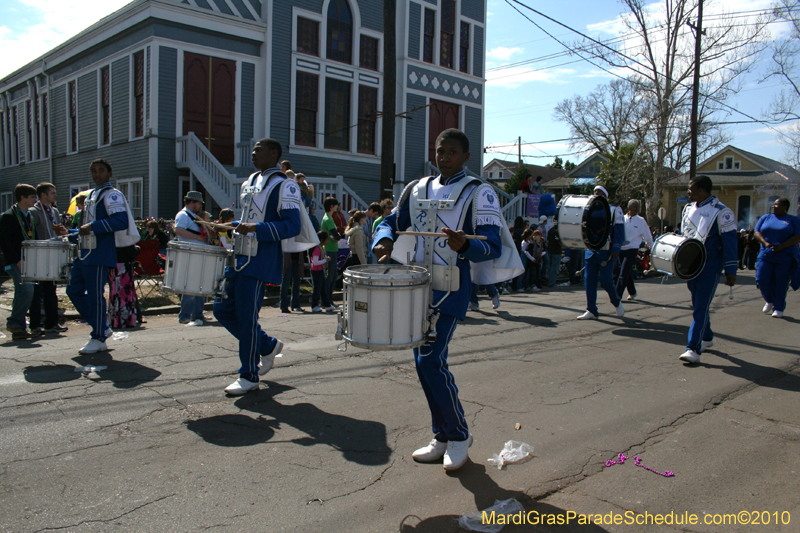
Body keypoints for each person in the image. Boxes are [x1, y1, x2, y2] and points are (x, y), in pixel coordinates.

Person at [373, 128, 520, 471]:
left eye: (453, 152)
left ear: (467, 156)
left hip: (451, 288)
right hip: (416, 287)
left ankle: (458, 435)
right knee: (423, 364)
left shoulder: (479, 193)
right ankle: (441, 435)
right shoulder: (417, 187)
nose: (445, 157)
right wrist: (384, 239)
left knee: (430, 361)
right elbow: (392, 221)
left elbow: (493, 246)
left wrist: (465, 245)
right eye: (440, 151)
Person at [213, 138, 311, 395]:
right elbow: (250, 217)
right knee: (221, 309)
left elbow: (292, 226)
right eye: (254, 150)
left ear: (274, 154)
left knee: (246, 318)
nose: (253, 154)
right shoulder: (250, 181)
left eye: (259, 150)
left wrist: (257, 228)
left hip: (259, 259)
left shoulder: (285, 185)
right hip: (239, 256)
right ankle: (266, 346)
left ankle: (249, 375)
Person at [66, 159, 137, 354]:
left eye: (101, 170)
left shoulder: (112, 195)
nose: (97, 174)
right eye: (94, 171)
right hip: (84, 252)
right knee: (73, 290)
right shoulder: (92, 195)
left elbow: (120, 221)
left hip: (99, 253)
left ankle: (98, 337)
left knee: (96, 295)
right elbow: (87, 225)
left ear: (109, 172)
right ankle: (102, 326)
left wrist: (93, 227)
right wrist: (70, 232)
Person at [677, 175, 738, 364]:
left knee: (701, 305)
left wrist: (731, 270)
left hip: (710, 266)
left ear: (702, 191)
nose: (688, 192)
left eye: (691, 188)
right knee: (698, 304)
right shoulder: (687, 209)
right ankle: (707, 337)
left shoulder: (721, 212)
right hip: (691, 266)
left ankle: (693, 348)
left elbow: (730, 243)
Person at [577, 185, 626, 320]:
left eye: (599, 192)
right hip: (591, 251)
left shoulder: (615, 210)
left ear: (605, 195)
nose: (596, 194)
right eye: (594, 192)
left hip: (607, 251)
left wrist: (616, 249)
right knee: (589, 281)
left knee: (605, 281)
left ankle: (616, 302)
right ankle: (591, 309)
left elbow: (619, 231)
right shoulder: (589, 210)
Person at [0, 184, 40, 340]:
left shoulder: (29, 215)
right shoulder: (8, 216)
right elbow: (4, 241)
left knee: (24, 291)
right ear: (22, 198)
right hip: (16, 261)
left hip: (27, 260)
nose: (35, 200)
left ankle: (19, 326)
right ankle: (14, 322)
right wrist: (16, 260)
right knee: (26, 290)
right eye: (32, 197)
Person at [29, 182, 69, 334]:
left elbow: (57, 231)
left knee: (51, 290)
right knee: (37, 292)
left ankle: (51, 323)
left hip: (52, 254)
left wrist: (61, 234)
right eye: (52, 193)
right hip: (39, 255)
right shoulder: (34, 211)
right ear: (43, 195)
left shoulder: (55, 211)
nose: (55, 195)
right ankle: (35, 325)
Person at [754, 198, 800, 318]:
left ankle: (778, 308)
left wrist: (782, 246)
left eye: (777, 205)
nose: (773, 207)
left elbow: (797, 236)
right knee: (761, 279)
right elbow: (757, 232)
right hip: (766, 254)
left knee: (781, 282)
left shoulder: (793, 220)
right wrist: (765, 243)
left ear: (785, 207)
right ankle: (769, 300)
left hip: (785, 256)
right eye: (773, 205)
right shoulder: (765, 218)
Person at [173, 191, 207, 326]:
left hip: (197, 253)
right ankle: (185, 315)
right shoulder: (183, 215)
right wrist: (198, 237)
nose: (200, 206)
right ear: (192, 202)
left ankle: (197, 314)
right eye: (199, 203)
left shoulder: (193, 216)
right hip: (190, 253)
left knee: (199, 285)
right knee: (191, 285)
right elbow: (179, 230)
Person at [616, 199, 653, 300]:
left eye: (637, 206)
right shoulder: (622, 219)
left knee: (624, 272)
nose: (637, 209)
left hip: (633, 248)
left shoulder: (641, 221)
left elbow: (647, 235)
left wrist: (650, 246)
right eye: (634, 206)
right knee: (626, 271)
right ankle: (632, 292)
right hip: (622, 248)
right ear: (629, 207)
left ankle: (617, 295)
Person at [320, 197, 342, 312]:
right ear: (331, 206)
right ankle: (325, 300)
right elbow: (336, 235)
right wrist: (337, 236)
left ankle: (328, 299)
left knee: (333, 276)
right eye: (335, 205)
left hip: (332, 249)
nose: (337, 207)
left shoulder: (329, 218)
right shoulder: (328, 219)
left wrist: (336, 236)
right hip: (329, 250)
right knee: (330, 276)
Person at [310, 231, 333, 313]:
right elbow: (315, 262)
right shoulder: (317, 249)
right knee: (317, 289)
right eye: (327, 239)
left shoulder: (321, 248)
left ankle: (327, 305)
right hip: (316, 271)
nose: (328, 241)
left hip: (320, 270)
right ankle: (314, 305)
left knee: (323, 289)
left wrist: (325, 259)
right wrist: (325, 260)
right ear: (322, 240)